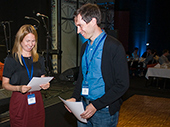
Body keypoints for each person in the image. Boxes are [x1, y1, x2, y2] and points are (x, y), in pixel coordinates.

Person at [65, 3, 129, 127]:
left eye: (80, 26)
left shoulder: (114, 47)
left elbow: (122, 84)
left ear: (93, 21)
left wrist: (96, 105)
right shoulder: (85, 47)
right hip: (83, 107)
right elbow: (82, 77)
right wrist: (74, 97)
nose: (78, 31)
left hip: (103, 110)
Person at [2, 24, 50, 127]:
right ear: (20, 40)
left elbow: (42, 78)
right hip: (19, 100)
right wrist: (18, 88)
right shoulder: (11, 59)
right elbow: (5, 84)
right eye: (27, 41)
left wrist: (46, 84)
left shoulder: (39, 59)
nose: (31, 44)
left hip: (36, 100)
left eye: (33, 41)